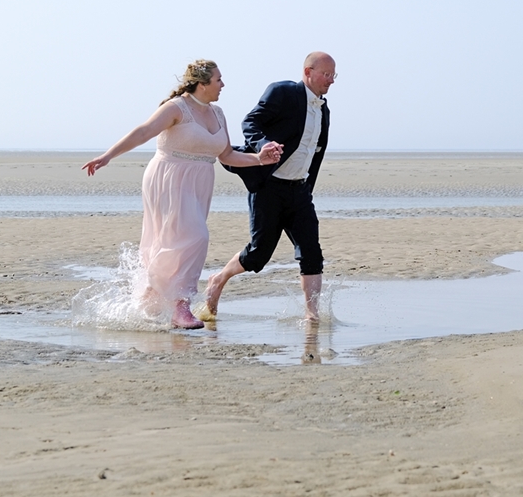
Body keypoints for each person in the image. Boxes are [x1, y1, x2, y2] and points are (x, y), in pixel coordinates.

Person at [82, 60, 283, 329]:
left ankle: (153, 294)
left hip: (200, 183)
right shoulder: (177, 108)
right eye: (218, 80)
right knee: (196, 237)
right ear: (202, 84)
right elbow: (143, 132)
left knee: (175, 242)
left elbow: (227, 155)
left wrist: (259, 159)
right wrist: (108, 156)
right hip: (169, 178)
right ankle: (181, 306)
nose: (223, 85)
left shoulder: (219, 113)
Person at [201, 52, 335, 322]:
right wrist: (263, 145)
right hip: (269, 187)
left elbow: (315, 154)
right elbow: (250, 123)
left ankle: (312, 315)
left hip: (300, 191)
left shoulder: (323, 110)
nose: (330, 81)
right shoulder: (283, 92)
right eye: (326, 74)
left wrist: (308, 187)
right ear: (308, 72)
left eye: (333, 76)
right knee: (259, 253)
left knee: (312, 253)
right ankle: (219, 278)